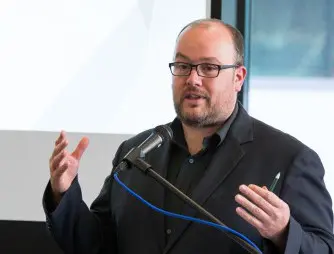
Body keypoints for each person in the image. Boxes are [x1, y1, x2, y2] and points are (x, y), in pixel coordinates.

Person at [43, 18, 334, 254]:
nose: (193, 79)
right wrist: (63, 194)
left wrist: (284, 233)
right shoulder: (136, 153)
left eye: (209, 67)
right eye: (183, 66)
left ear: (238, 77)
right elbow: (96, 244)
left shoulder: (289, 159)